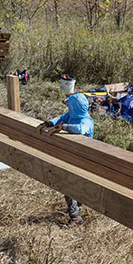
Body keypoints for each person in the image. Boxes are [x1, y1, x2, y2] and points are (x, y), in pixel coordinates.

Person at [41, 93, 95, 225]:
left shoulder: (86, 121)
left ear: (74, 106)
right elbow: (62, 117)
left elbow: (81, 129)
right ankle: (75, 209)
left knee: (69, 186)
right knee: (72, 185)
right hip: (71, 156)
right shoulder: (72, 114)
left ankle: (75, 217)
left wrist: (64, 127)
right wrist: (51, 122)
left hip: (82, 159)